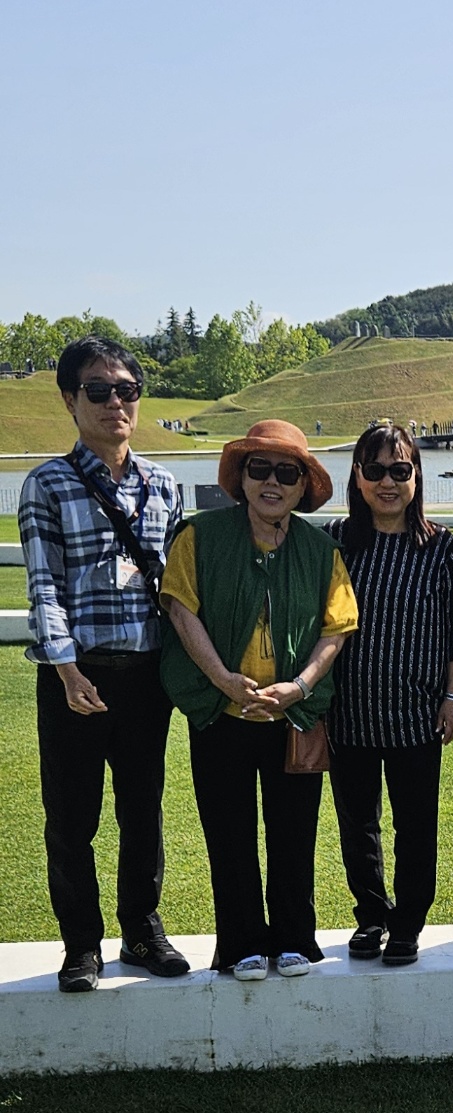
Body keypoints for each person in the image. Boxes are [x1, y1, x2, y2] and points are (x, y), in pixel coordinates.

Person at [20, 336, 189, 993]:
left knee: (143, 809)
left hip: (145, 673)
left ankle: (142, 929)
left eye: (127, 389)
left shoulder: (165, 484)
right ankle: (81, 945)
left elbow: (177, 589)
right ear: (70, 399)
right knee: (71, 816)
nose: (115, 401)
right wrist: (66, 670)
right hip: (76, 672)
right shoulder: (48, 484)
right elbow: (44, 588)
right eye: (98, 390)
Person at [159, 420, 357, 980]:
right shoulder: (200, 536)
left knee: (295, 831)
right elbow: (180, 609)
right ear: (241, 478)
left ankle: (294, 937)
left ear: (302, 486)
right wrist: (223, 679)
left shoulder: (321, 549)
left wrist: (298, 687)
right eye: (259, 468)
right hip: (222, 711)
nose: (272, 482)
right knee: (228, 832)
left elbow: (336, 628)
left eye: (286, 472)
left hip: (292, 713)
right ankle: (242, 941)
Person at [325, 424, 453, 966]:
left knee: (415, 824)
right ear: (358, 477)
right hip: (348, 712)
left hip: (417, 713)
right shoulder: (336, 540)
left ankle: (407, 923)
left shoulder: (440, 547)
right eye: (376, 470)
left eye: (401, 470)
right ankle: (371, 916)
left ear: (417, 476)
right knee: (356, 823)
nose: (389, 482)